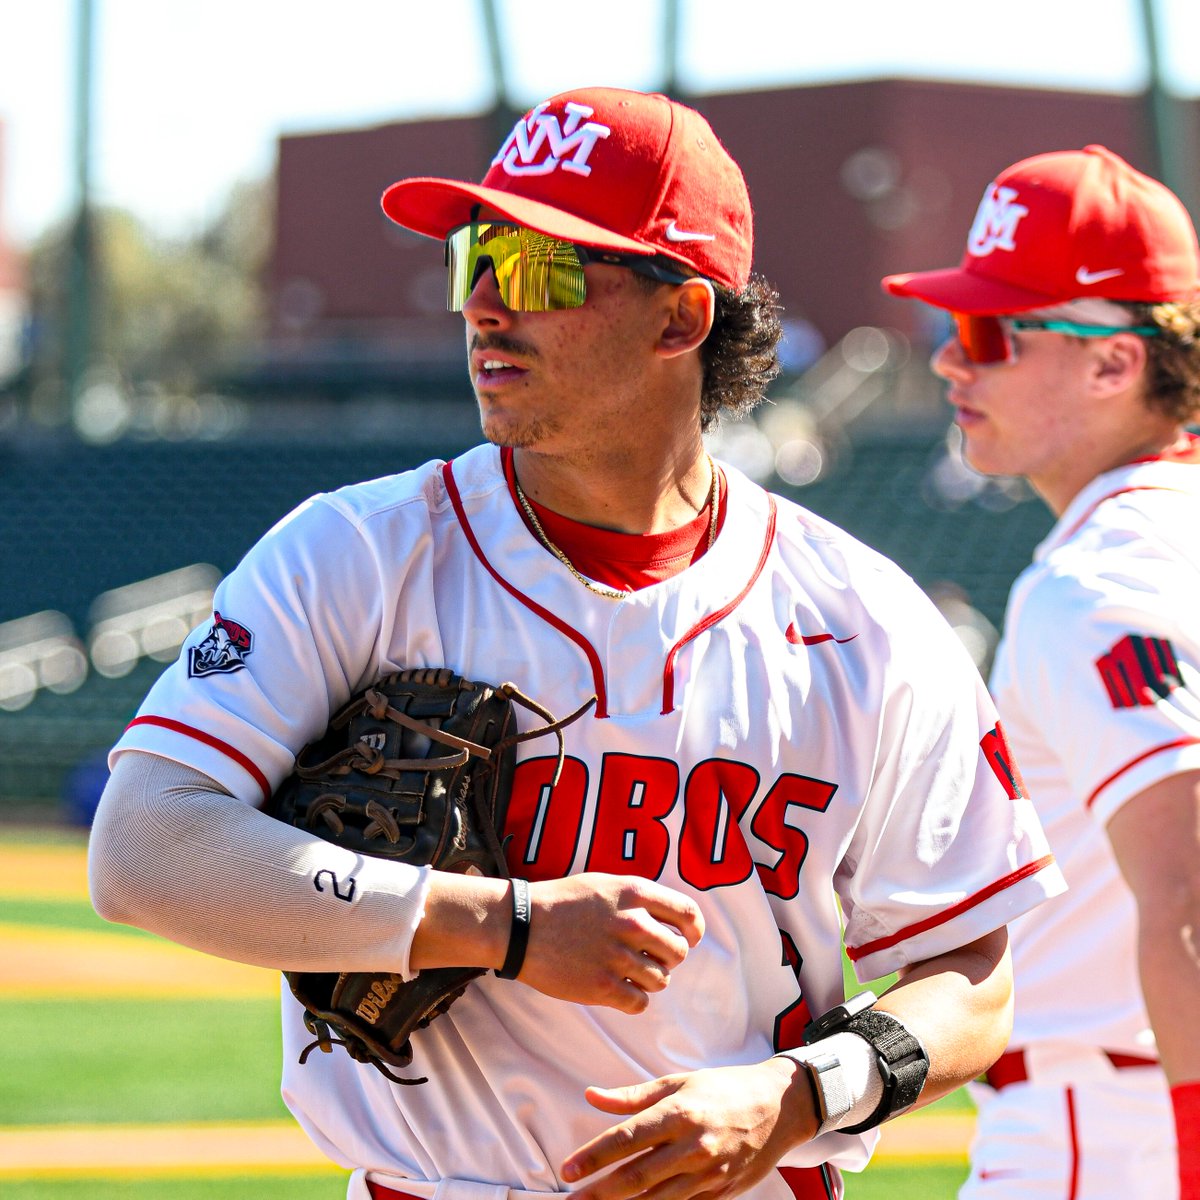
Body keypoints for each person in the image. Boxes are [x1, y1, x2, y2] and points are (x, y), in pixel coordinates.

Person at [88, 87, 1064, 1200]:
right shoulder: (356, 553)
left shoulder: (863, 618)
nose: (489, 305)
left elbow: (973, 981)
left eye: (543, 270)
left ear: (682, 319)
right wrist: (498, 925)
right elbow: (143, 848)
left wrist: (799, 1094)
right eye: (478, 261)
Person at [882, 144, 1200, 1198]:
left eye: (988, 331)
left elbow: (1191, 898)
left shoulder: (1099, 583)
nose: (949, 362)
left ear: (1117, 361)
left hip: (1113, 1136)